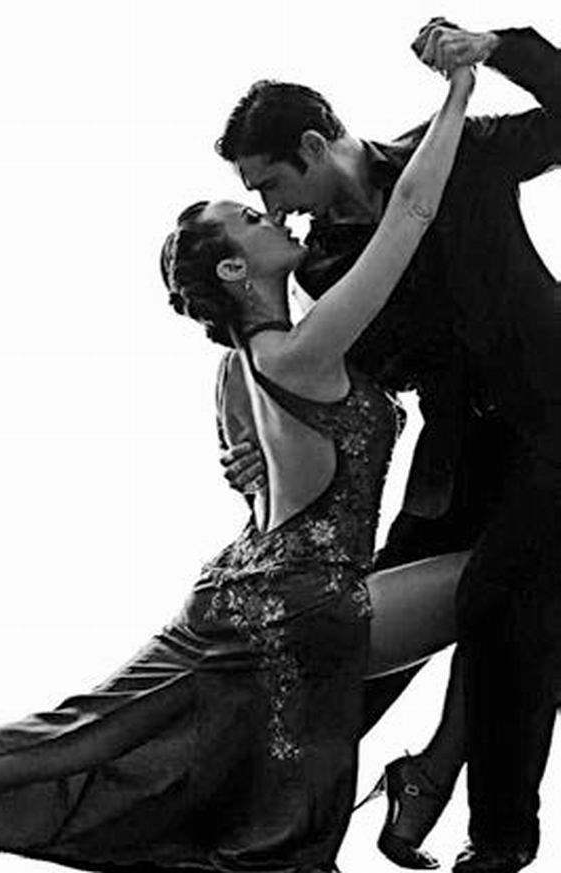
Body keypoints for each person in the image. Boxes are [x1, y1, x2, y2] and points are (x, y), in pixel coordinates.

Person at [0, 64, 474, 873]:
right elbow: (410, 212)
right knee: (518, 586)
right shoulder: (300, 352)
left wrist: (253, 467)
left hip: (249, 588)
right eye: (251, 216)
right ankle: (433, 770)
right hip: (310, 602)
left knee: (79, 729)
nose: (274, 213)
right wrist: (460, 89)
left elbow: (261, 482)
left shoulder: (242, 365)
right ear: (236, 270)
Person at [216, 18, 561, 873]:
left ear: (312, 145)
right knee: (349, 625)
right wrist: (263, 450)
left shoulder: (457, 153)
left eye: (271, 185)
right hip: (457, 455)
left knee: (504, 599)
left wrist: (502, 47)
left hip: (557, 420)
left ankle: (500, 838)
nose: (273, 210)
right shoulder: (317, 266)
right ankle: (251, 809)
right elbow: (344, 385)